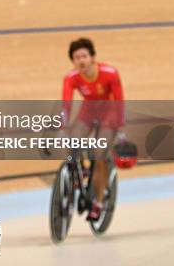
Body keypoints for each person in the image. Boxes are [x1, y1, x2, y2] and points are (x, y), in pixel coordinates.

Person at [62, 37, 124, 220]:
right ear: (73, 61)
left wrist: (120, 128)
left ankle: (98, 201)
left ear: (92, 57)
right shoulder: (71, 78)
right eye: (76, 57)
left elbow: (119, 100)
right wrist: (61, 126)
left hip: (109, 114)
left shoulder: (110, 73)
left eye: (84, 56)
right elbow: (65, 104)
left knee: (99, 153)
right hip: (88, 111)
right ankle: (80, 170)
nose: (81, 60)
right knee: (71, 139)